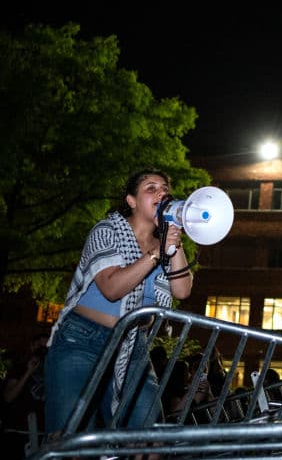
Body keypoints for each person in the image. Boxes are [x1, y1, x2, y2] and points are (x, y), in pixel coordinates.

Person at [44, 169, 194, 440]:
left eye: (165, 189)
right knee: (73, 440)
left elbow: (182, 290)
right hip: (82, 342)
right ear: (131, 200)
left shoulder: (164, 245)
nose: (161, 193)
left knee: (149, 440)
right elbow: (112, 288)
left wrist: (173, 237)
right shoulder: (107, 230)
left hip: (133, 345)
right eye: (151, 188)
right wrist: (155, 254)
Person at [2, 331, 48, 456]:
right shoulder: (19, 368)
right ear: (32, 346)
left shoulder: (52, 372)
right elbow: (8, 397)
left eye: (46, 347)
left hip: (41, 435)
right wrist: (28, 372)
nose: (42, 351)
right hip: (16, 433)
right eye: (39, 346)